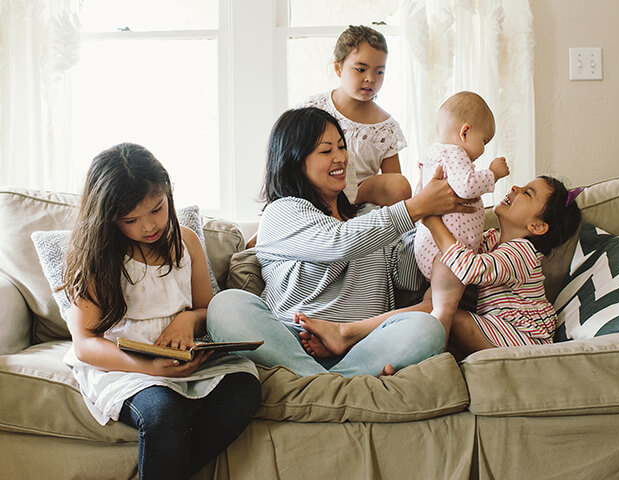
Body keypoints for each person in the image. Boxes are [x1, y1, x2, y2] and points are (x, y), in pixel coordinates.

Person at [207, 107, 475, 378]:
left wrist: (431, 218)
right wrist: (414, 207)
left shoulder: (371, 216)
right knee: (226, 306)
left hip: (362, 348)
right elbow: (339, 242)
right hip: (290, 345)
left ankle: (321, 384)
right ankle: (331, 382)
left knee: (426, 328)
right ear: (295, 161)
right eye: (326, 151)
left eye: (341, 147)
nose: (340, 158)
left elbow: (409, 278)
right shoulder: (282, 212)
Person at [62, 143, 261, 480]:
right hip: (123, 368)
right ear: (108, 218)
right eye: (130, 220)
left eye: (157, 209)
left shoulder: (186, 242)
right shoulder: (98, 257)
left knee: (245, 388)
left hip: (183, 359)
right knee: (164, 415)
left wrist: (188, 319)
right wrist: (150, 368)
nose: (148, 226)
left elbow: (207, 309)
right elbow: (85, 343)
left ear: (168, 194)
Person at [300, 175, 582, 361]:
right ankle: (375, 353)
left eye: (527, 194)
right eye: (521, 186)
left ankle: (352, 337)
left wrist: (432, 221)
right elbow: (458, 248)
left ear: (537, 227)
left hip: (521, 340)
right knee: (437, 308)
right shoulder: (494, 238)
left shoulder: (523, 253)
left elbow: (468, 268)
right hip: (496, 330)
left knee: (446, 314)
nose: (515, 189)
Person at [301, 24, 411, 206]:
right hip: (317, 192)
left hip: (360, 199)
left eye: (379, 71)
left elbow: (394, 185)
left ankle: (348, 205)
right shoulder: (314, 109)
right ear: (338, 68)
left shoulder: (386, 126)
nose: (371, 78)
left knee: (399, 185)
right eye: (361, 69)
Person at [414, 91, 510, 280]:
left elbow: (418, 193)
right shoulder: (454, 153)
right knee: (445, 305)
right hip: (446, 254)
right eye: (484, 141)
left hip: (431, 250)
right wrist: (494, 173)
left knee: (435, 298)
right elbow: (467, 186)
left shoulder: (433, 156)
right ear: (464, 132)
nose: (483, 150)